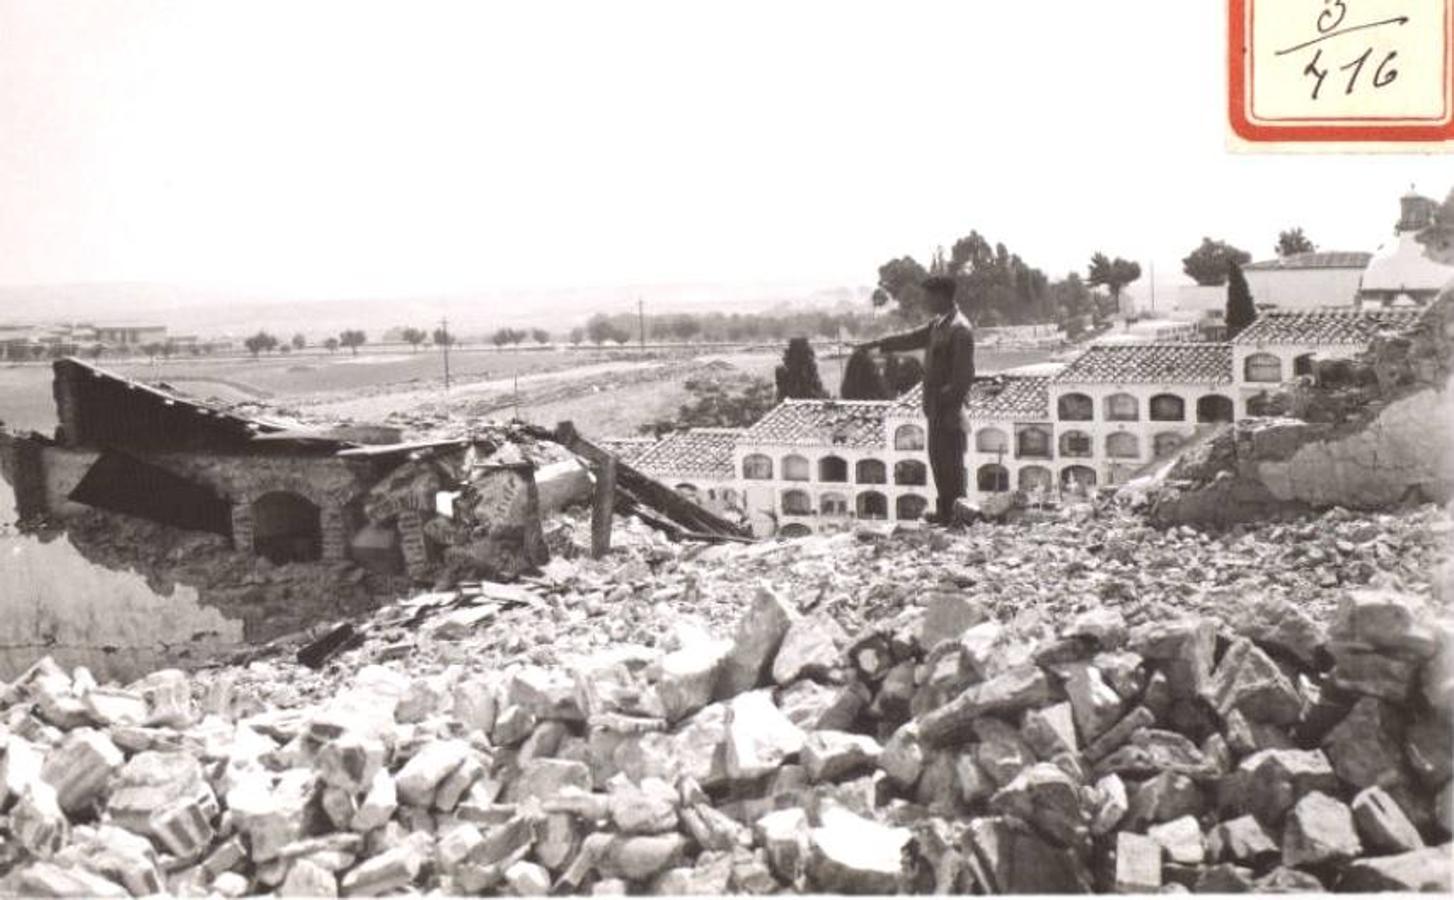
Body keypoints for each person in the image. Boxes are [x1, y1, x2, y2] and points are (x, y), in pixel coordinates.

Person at [858, 275, 975, 525]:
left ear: (943, 296)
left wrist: (945, 401)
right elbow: (910, 338)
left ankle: (956, 514)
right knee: (938, 461)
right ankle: (945, 510)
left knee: (951, 464)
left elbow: (963, 378)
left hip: (949, 410)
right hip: (936, 409)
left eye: (929, 296)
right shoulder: (939, 324)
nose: (925, 301)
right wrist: (877, 344)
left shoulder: (960, 329)